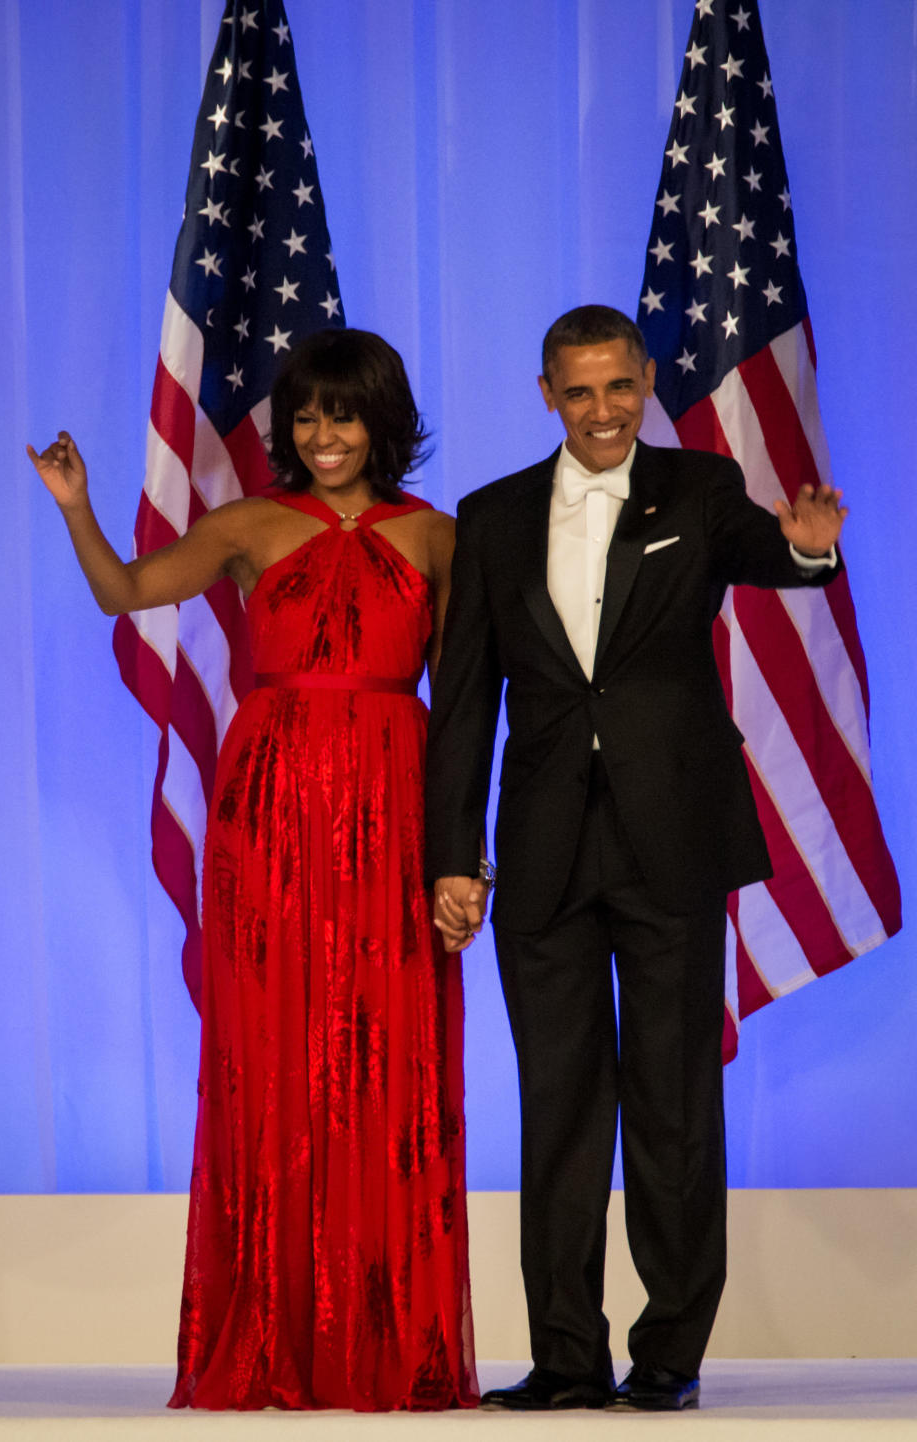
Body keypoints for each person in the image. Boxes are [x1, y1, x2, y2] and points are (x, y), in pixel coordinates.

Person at [28, 328, 478, 1412]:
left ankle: (387, 1338)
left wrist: (465, 857)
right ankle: (271, 1332)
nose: (325, 436)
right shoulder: (245, 523)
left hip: (395, 810)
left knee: (388, 1058)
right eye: (309, 415)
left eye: (346, 414)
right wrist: (77, 507)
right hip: (269, 818)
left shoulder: (441, 538)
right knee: (270, 1056)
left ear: (384, 419)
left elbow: (466, 710)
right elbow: (126, 592)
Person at [424, 304, 846, 1412]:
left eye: (620, 387)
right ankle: (565, 1356)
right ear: (546, 393)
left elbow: (774, 554)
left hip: (671, 842)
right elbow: (465, 706)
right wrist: (451, 856)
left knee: (671, 1104)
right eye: (581, 391)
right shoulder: (494, 517)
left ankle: (668, 1356)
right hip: (543, 855)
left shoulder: (699, 491)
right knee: (558, 1106)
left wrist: (806, 546)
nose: (604, 409)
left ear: (646, 379)